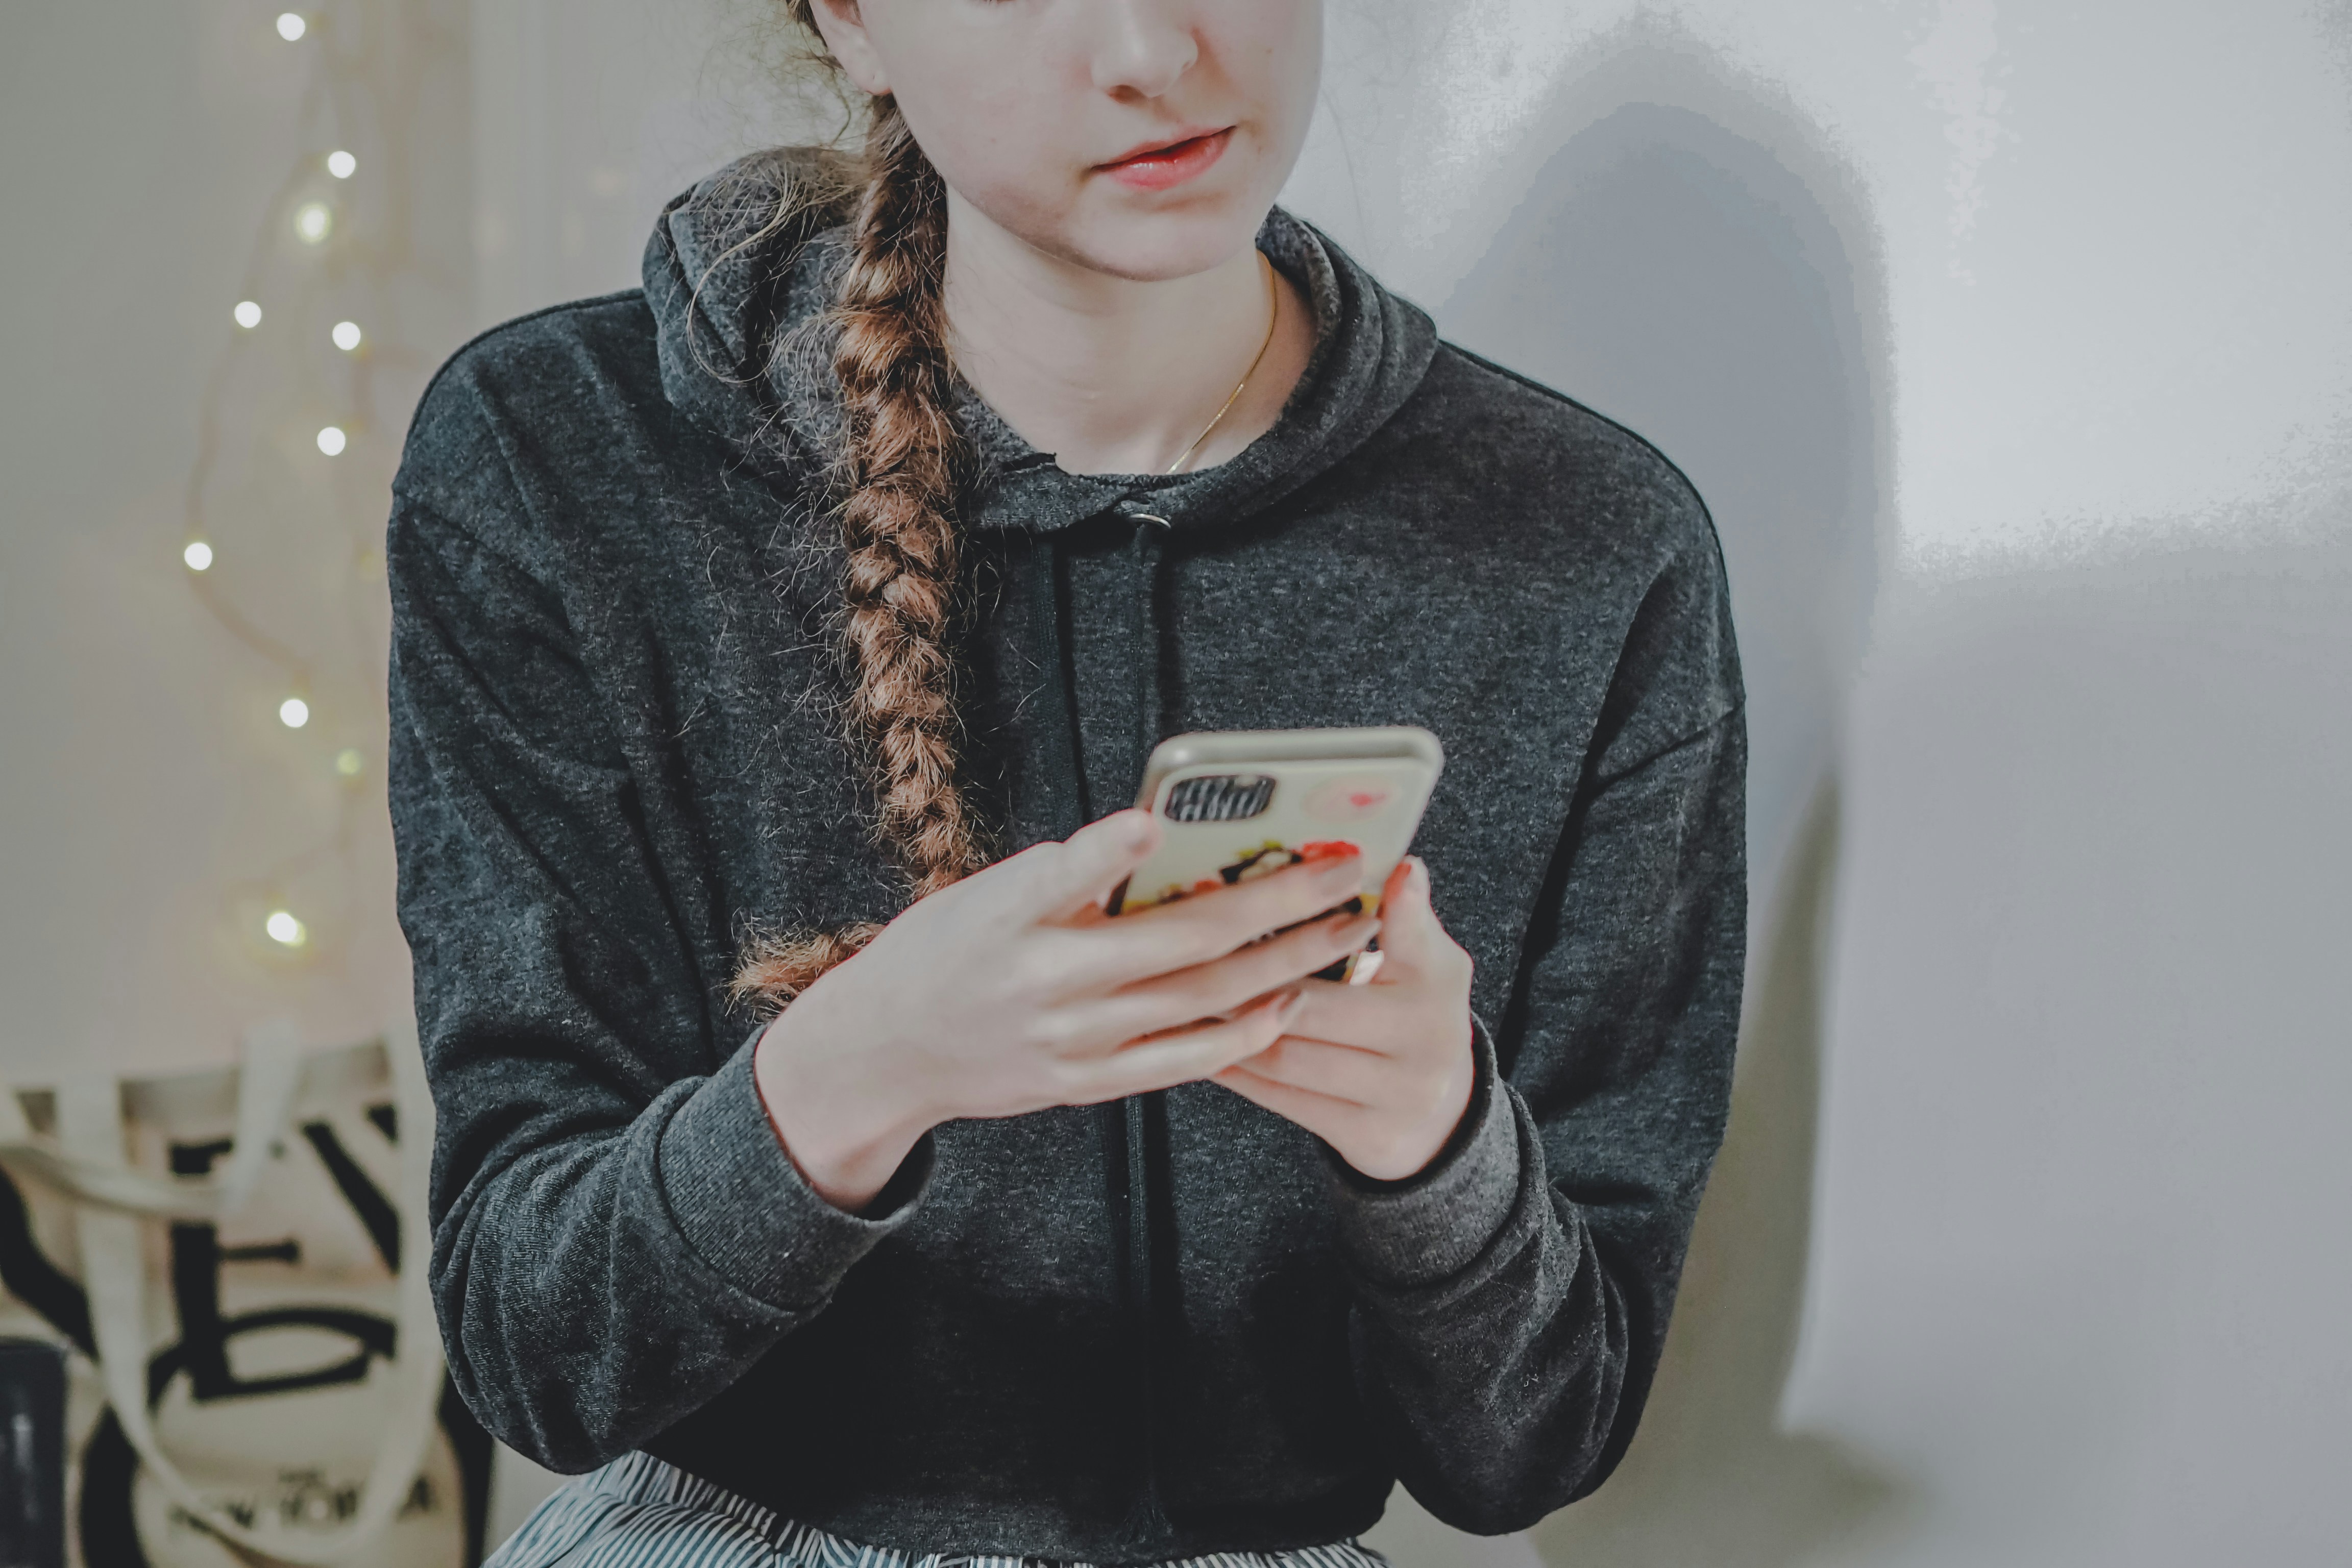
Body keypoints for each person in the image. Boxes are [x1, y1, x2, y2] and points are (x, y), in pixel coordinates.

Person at [384, 1, 1746, 1564]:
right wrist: (862, 1072)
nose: (1152, 53)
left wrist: (1435, 1142)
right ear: (853, 22)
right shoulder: (556, 457)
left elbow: (1533, 1450)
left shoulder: (1589, 547)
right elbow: (534, 1351)